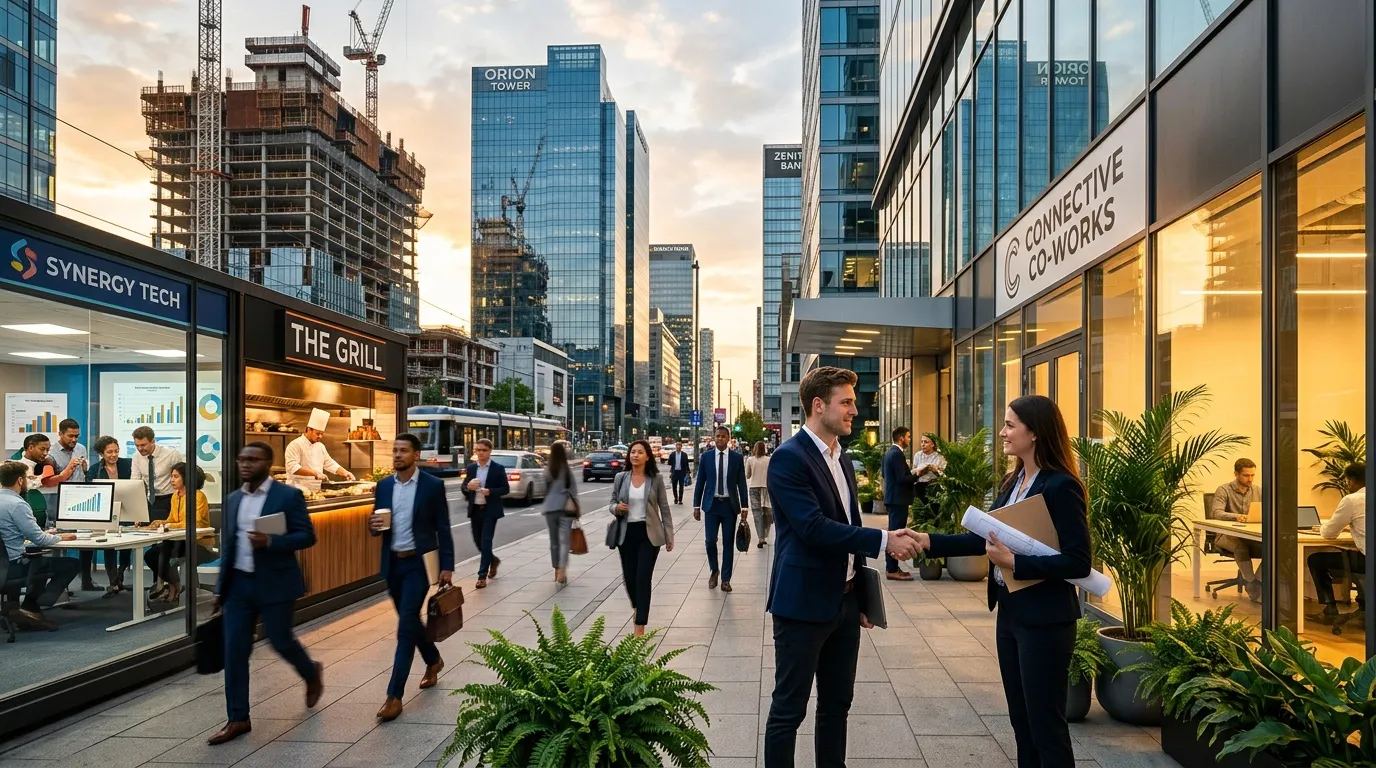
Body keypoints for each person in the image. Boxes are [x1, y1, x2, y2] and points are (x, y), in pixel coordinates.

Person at [911, 395, 1092, 768]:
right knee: (1021, 722)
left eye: (1010, 425)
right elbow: (983, 538)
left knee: (1046, 727)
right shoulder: (1014, 481)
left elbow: (1078, 561)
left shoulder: (1061, 486)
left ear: (1035, 432)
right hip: (1011, 613)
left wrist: (1015, 562)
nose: (1003, 432)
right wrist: (927, 541)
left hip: (1046, 620)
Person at [763, 367, 920, 768]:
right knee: (788, 711)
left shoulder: (842, 457)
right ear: (819, 405)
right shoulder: (788, 458)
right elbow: (814, 528)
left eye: (853, 401)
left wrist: (862, 597)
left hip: (846, 602)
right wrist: (885, 539)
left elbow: (850, 523)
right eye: (846, 402)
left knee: (837, 705)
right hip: (802, 605)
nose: (855, 409)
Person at [209, 442, 323, 746]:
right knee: (234, 651)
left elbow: (307, 536)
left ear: (268, 463)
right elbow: (229, 546)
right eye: (241, 459)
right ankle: (238, 718)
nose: (245, 464)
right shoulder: (233, 499)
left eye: (253, 459)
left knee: (280, 640)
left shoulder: (288, 496)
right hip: (239, 586)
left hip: (275, 582)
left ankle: (311, 672)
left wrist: (271, 542)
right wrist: (221, 589)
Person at [370, 434, 453, 722]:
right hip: (393, 564)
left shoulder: (432, 486)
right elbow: (377, 525)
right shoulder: (383, 486)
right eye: (395, 450)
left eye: (403, 450)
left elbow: (443, 528)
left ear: (416, 455)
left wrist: (447, 565)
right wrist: (373, 525)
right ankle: (433, 659)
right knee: (411, 621)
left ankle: (394, 696)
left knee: (405, 627)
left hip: (419, 565)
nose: (397, 454)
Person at [0, 460, 79, 630]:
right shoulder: (18, 505)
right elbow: (40, 540)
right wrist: (60, 537)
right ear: (20, 480)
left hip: (4, 565)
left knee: (37, 560)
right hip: (12, 568)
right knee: (70, 564)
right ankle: (32, 606)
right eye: (28, 478)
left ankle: (17, 608)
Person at [609, 439, 674, 636]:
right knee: (629, 578)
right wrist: (617, 508)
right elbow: (611, 503)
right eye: (633, 452)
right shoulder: (621, 477)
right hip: (626, 534)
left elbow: (664, 508)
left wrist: (669, 535)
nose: (635, 455)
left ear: (647, 456)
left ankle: (640, 626)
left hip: (649, 534)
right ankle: (638, 607)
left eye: (639, 452)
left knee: (643, 578)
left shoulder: (655, 479)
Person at [143, 463, 215, 605]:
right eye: (171, 476)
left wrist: (169, 525)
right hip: (179, 542)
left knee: (165, 550)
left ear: (186, 478)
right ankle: (174, 584)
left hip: (199, 543)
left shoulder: (198, 496)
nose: (172, 480)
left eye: (176, 476)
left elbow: (194, 522)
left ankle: (166, 586)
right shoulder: (175, 496)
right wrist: (160, 523)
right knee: (151, 554)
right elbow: (172, 520)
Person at [1307, 462, 1366, 623]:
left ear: (1351, 481)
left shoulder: (1352, 500)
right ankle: (1363, 605)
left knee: (1316, 560)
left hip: (1365, 561)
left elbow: (1329, 533)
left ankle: (1330, 610)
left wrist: (1321, 528)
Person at [693, 426, 749, 592]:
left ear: (728, 439)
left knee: (728, 543)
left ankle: (726, 579)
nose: (720, 439)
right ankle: (714, 570)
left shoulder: (737, 458)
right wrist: (696, 505)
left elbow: (741, 483)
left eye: (723, 436)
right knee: (710, 541)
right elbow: (700, 482)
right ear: (714, 437)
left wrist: (744, 506)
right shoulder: (707, 457)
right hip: (712, 505)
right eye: (718, 436)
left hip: (729, 506)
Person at [1210, 458, 1263, 602]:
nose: (1250, 479)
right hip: (1225, 536)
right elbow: (1216, 513)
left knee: (1274, 548)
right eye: (1246, 475)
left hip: (1251, 535)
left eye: (1252, 475)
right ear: (1236, 474)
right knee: (1240, 546)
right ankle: (1251, 583)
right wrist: (1236, 517)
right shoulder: (1224, 490)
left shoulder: (1258, 490)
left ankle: (1258, 581)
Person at [87, 436, 133, 597]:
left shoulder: (128, 464)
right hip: (106, 511)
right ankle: (113, 583)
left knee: (127, 545)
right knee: (109, 546)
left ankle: (121, 576)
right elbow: (91, 489)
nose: (114, 455)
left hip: (127, 508)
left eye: (116, 451)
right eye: (109, 452)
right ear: (101, 453)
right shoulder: (95, 470)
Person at [463, 438, 509, 589]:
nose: (481, 453)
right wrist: (468, 487)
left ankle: (481, 576)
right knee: (478, 542)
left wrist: (490, 491)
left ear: (490, 451)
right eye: (478, 450)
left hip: (490, 510)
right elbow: (464, 488)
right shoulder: (471, 468)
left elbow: (505, 489)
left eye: (484, 450)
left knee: (486, 541)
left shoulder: (497, 468)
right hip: (475, 510)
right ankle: (493, 560)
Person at [882, 427, 920, 580]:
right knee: (896, 535)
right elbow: (902, 478)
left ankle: (893, 567)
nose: (910, 440)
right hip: (898, 499)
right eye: (908, 437)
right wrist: (917, 474)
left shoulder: (889, 453)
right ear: (901, 438)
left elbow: (885, 474)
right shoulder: (897, 454)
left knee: (894, 532)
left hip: (894, 499)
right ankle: (891, 569)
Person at [284, 409, 355, 492]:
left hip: (315, 490)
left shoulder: (320, 446)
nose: (320, 436)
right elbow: (292, 467)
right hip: (296, 490)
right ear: (309, 430)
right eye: (318, 433)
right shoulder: (295, 444)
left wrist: (345, 472)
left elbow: (329, 463)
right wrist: (315, 473)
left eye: (322, 434)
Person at [129, 426, 185, 524]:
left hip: (169, 498)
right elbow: (135, 481)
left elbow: (181, 478)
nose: (140, 449)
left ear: (153, 441)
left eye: (143, 445)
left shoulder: (171, 454)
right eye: (137, 445)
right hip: (149, 500)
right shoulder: (136, 457)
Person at [542, 440, 578, 585]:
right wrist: (577, 508)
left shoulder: (548, 470)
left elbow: (544, 490)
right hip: (565, 509)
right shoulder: (567, 470)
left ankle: (556, 569)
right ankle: (562, 570)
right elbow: (573, 490)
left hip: (550, 508)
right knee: (564, 541)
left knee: (554, 541)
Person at [18, 434, 75, 526]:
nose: (45, 453)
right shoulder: (19, 466)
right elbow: (41, 482)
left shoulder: (43, 463)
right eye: (42, 449)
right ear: (31, 448)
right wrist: (64, 474)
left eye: (48, 450)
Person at [746, 441, 772, 547]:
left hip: (754, 488)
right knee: (767, 512)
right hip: (766, 488)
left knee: (757, 513)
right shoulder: (769, 460)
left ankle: (761, 538)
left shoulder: (750, 460)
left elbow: (747, 475)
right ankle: (765, 534)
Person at [912, 433, 945, 507]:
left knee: (933, 508)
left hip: (933, 486)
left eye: (926, 442)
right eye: (922, 442)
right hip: (919, 486)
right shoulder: (917, 455)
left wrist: (934, 469)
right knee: (920, 509)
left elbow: (942, 474)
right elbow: (914, 470)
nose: (923, 444)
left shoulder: (939, 457)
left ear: (932, 444)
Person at [666, 439, 692, 505]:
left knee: (681, 487)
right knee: (674, 486)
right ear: (676, 447)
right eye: (677, 446)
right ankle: (676, 498)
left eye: (679, 446)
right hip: (674, 472)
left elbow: (686, 464)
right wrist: (672, 467)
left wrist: (688, 472)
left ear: (681, 447)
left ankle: (680, 500)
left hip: (681, 472)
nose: (678, 447)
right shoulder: (672, 454)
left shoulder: (684, 455)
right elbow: (669, 462)